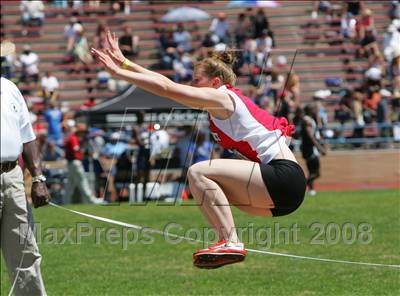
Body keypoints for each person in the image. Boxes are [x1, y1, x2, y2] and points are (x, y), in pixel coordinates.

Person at [91, 31, 306, 269]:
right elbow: (167, 85)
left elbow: (166, 87)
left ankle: (231, 242)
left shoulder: (224, 99)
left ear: (215, 82)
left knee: (198, 172)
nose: (191, 85)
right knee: (216, 195)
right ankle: (228, 242)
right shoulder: (221, 104)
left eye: (196, 80)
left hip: (284, 178)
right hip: (282, 199)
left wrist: (120, 72)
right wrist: (125, 63)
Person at [1, 41, 49, 295]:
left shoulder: (10, 89)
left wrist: (38, 177)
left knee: (25, 251)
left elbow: (27, 136)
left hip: (12, 177)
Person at [64, 122, 103, 204]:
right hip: (75, 163)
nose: (84, 134)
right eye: (83, 132)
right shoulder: (74, 138)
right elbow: (76, 149)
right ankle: (91, 200)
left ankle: (65, 202)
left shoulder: (75, 138)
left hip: (72, 163)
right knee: (83, 181)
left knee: (70, 185)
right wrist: (84, 147)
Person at [300, 104, 327, 196]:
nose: (316, 111)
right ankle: (302, 185)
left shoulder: (309, 119)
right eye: (314, 109)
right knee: (316, 173)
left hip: (309, 149)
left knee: (312, 172)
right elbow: (310, 136)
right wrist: (320, 148)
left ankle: (311, 190)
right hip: (310, 149)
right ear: (310, 110)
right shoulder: (307, 120)